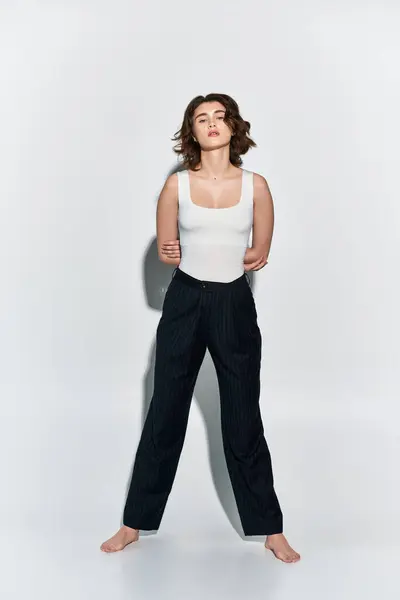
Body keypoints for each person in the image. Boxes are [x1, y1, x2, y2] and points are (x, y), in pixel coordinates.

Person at [100, 93, 301, 563]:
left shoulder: (258, 186)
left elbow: (259, 251)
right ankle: (134, 523)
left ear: (234, 126)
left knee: (243, 418)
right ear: (191, 132)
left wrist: (256, 255)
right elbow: (166, 247)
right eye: (201, 118)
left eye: (219, 116)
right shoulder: (176, 187)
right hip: (185, 301)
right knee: (165, 413)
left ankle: (270, 528)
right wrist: (166, 252)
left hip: (233, 303)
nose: (211, 124)